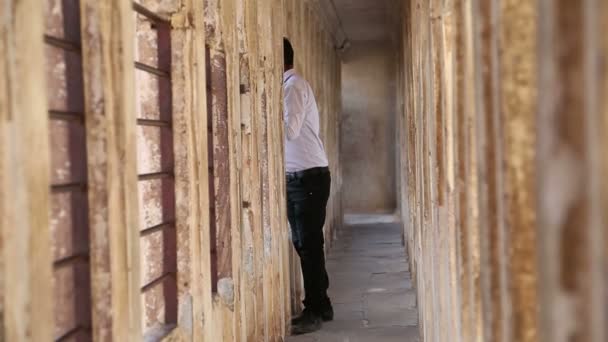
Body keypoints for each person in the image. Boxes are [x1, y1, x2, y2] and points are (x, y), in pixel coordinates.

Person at [283, 38, 333, 335]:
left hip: (308, 177)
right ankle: (321, 304)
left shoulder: (292, 87)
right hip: (301, 176)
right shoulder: (289, 87)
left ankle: (314, 310)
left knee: (309, 244)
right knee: (305, 243)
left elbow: (290, 131)